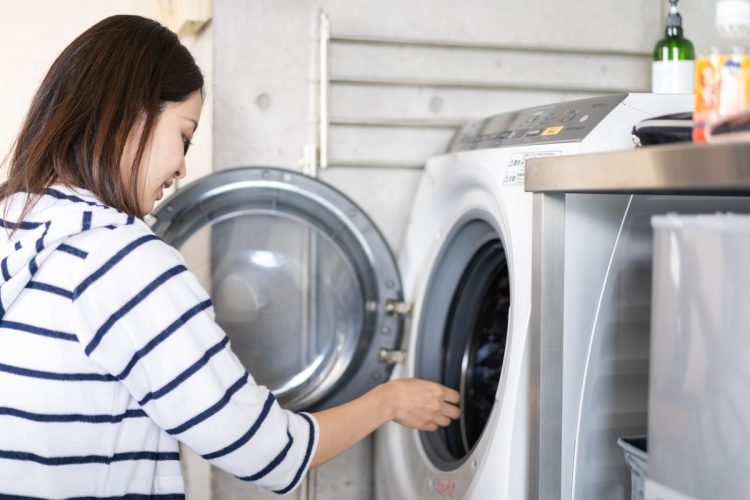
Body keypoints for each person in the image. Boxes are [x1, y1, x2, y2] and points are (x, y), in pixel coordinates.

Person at [0, 15, 460, 498]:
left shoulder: (16, 226)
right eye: (184, 135)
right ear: (131, 116)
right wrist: (388, 402)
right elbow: (264, 452)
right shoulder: (122, 261)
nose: (181, 167)